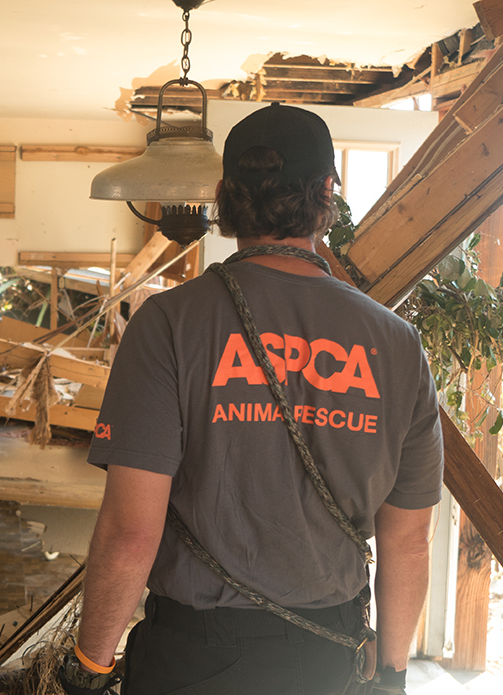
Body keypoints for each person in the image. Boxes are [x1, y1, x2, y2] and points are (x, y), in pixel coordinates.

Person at [61, 103, 444, 695]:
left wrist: (90, 665)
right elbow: (408, 536)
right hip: (329, 655)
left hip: (194, 659)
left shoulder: (169, 325)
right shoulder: (396, 345)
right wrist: (391, 673)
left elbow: (131, 531)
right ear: (326, 192)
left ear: (222, 194)